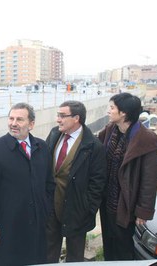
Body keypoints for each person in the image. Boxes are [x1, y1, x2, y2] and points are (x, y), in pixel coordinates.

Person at [0, 102, 55, 265]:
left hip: (37, 224)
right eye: (11, 118)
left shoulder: (41, 147)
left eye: (20, 119)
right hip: (9, 225)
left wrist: (45, 210)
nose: (13, 123)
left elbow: (50, 184)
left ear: (31, 124)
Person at [98, 92, 157, 260]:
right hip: (107, 201)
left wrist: (143, 211)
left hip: (126, 204)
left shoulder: (145, 138)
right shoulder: (111, 130)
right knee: (109, 242)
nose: (108, 111)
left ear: (123, 113)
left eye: (111, 108)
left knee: (123, 246)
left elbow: (149, 179)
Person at [45, 100, 107, 262]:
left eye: (62, 116)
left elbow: (98, 183)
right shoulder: (54, 134)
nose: (58, 119)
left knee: (75, 256)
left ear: (76, 118)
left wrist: (88, 209)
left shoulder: (93, 146)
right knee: (48, 253)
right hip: (51, 207)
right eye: (58, 115)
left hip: (77, 209)